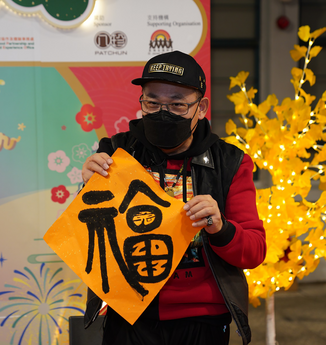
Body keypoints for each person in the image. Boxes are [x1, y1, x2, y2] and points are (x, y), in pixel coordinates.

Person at [81, 50, 266, 345]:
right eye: (152, 102)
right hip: (130, 314)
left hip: (202, 318)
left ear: (201, 107)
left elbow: (255, 252)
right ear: (140, 101)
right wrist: (87, 190)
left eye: (178, 104)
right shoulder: (118, 153)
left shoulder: (229, 162)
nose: (162, 113)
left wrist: (220, 228)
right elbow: (91, 235)